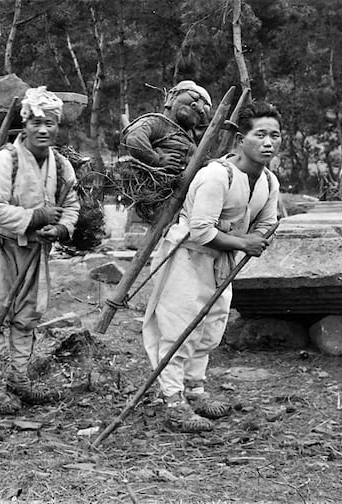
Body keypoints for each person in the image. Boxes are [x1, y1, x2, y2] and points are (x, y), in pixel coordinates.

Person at [142, 101, 282, 432]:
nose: (268, 143)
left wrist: (256, 238)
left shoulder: (268, 181)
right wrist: (244, 243)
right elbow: (202, 230)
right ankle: (173, 400)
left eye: (275, 136)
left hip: (222, 261)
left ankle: (195, 390)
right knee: (180, 326)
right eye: (260, 135)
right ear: (241, 140)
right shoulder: (217, 175)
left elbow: (267, 221)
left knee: (211, 326)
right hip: (187, 256)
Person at [0, 86, 80, 414]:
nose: (43, 130)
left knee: (27, 316)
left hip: (35, 251)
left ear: (58, 127)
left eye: (50, 124)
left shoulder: (62, 166)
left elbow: (71, 205)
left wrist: (60, 228)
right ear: (25, 124)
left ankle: (19, 378)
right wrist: (35, 217)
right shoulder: (6, 161)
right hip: (0, 247)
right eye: (36, 123)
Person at [120, 80, 212, 172]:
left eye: (205, 108)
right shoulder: (156, 123)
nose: (200, 108)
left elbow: (201, 161)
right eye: (194, 97)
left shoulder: (190, 141)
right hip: (151, 176)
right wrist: (157, 159)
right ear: (172, 96)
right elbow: (135, 137)